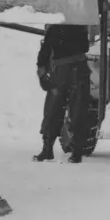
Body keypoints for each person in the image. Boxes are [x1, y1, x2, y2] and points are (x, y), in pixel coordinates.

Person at [33, 23, 91, 163]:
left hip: (65, 71)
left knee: (57, 110)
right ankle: (71, 152)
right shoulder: (78, 23)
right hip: (74, 70)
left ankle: (51, 149)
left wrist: (42, 72)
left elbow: (45, 50)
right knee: (73, 110)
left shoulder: (58, 26)